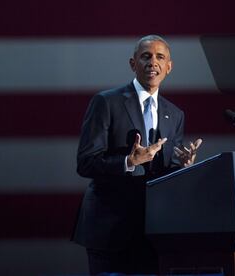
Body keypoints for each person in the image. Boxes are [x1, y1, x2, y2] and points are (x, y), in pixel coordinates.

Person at [72, 34, 203, 274]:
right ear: (133, 64)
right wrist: (128, 162)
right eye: (146, 56)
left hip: (153, 232)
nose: (153, 62)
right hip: (109, 231)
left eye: (160, 57)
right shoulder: (106, 102)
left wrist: (183, 168)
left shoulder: (174, 114)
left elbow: (165, 175)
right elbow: (85, 162)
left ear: (168, 67)